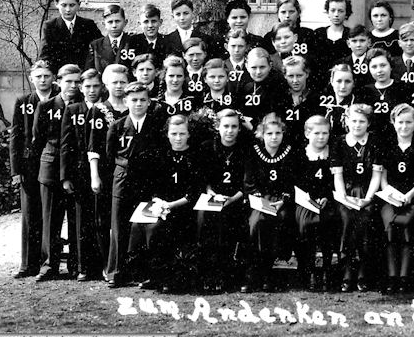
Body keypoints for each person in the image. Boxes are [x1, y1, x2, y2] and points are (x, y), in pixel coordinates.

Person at [126, 114, 203, 293]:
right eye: (174, 133)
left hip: (185, 208)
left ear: (189, 134)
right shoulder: (161, 155)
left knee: (156, 228)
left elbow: (195, 192)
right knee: (138, 225)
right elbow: (153, 186)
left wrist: (171, 205)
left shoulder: (195, 156)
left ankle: (168, 277)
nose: (178, 138)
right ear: (167, 134)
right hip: (162, 206)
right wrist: (157, 201)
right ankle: (152, 274)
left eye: (182, 134)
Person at [105, 82, 167, 287]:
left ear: (149, 102)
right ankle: (115, 272)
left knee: (145, 225)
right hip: (123, 179)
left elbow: (161, 156)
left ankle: (143, 272)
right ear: (125, 102)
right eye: (134, 100)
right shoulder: (117, 126)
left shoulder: (157, 125)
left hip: (148, 181)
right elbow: (109, 156)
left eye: (142, 100)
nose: (138, 104)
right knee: (119, 226)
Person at [241, 114, 301, 293]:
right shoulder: (253, 152)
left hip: (281, 201)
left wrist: (283, 200)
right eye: (269, 134)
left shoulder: (290, 152)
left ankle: (269, 271)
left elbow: (293, 181)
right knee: (256, 223)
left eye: (278, 133)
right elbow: (248, 181)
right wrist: (260, 199)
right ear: (262, 135)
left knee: (279, 220)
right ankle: (254, 272)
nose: (274, 137)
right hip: (260, 199)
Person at [375, 103, 414, 294]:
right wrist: (388, 191)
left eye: (408, 122)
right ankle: (392, 276)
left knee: (405, 225)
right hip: (390, 198)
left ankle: (405, 276)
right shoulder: (388, 145)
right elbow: (382, 174)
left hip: (411, 198)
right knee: (390, 226)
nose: (404, 126)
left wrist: (410, 195)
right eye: (400, 122)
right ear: (393, 123)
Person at [34, 64, 81, 281]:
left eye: (76, 81)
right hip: (51, 168)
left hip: (77, 170)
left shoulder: (84, 105)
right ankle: (48, 265)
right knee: (50, 219)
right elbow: (38, 140)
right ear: (58, 81)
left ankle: (75, 265)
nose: (73, 85)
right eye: (68, 81)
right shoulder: (46, 106)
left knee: (76, 219)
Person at [9, 60, 56, 279]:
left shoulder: (60, 100)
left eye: (46, 75)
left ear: (53, 77)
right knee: (30, 213)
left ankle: (49, 262)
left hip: (52, 163)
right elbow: (15, 137)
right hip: (29, 165)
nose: (43, 80)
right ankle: (27, 264)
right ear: (31, 78)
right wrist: (16, 170)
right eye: (38, 76)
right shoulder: (24, 102)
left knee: (49, 212)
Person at [331, 104, 382, 292]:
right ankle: (347, 272)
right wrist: (344, 199)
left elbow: (377, 175)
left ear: (368, 123)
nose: (357, 125)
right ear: (346, 121)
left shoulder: (375, 141)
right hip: (346, 192)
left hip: (368, 192)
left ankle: (363, 273)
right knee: (346, 220)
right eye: (353, 121)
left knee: (366, 222)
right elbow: (338, 176)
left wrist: (368, 199)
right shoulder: (339, 142)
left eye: (362, 121)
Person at [196, 109, 249, 292]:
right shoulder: (207, 147)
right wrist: (211, 193)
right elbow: (204, 180)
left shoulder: (245, 149)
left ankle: (225, 273)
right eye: (226, 126)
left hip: (236, 199)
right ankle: (208, 272)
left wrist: (232, 199)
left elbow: (247, 183)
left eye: (234, 126)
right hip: (213, 198)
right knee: (205, 218)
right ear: (218, 127)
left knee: (230, 223)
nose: (230, 131)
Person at [58, 68, 103, 281]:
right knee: (79, 219)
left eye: (95, 86)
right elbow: (66, 144)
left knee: (99, 218)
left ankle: (101, 265)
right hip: (78, 173)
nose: (92, 90)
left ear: (101, 87)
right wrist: (65, 176)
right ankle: (80, 266)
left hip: (101, 172)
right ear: (81, 88)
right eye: (87, 87)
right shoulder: (74, 109)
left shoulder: (105, 109)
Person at [86, 65, 129, 274]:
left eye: (122, 82)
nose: (119, 86)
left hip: (128, 172)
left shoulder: (134, 107)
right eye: (115, 82)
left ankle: (126, 263)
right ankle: (106, 264)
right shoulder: (98, 109)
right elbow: (93, 146)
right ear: (106, 84)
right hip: (105, 170)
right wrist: (94, 175)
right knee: (104, 219)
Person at [296, 116, 337, 291]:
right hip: (305, 200)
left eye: (325, 133)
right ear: (307, 133)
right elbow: (295, 181)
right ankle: (309, 269)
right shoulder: (300, 154)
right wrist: (309, 198)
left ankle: (327, 268)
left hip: (329, 199)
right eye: (317, 133)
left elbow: (336, 180)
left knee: (329, 222)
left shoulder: (334, 152)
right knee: (307, 223)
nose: (321, 137)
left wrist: (327, 196)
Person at [39, 0, 101, 70]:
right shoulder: (50, 26)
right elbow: (45, 55)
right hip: (60, 76)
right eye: (64, 5)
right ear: (56, 4)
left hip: (83, 75)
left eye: (72, 5)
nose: (68, 9)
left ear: (78, 5)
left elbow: (100, 48)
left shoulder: (88, 25)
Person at [364, 48, 412, 135]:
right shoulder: (365, 91)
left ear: (390, 66)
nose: (379, 70)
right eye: (374, 67)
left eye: (383, 65)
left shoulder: (404, 88)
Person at [87, 4, 136, 73]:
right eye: (110, 22)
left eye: (117, 21)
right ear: (104, 24)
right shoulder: (96, 46)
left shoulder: (133, 42)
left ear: (125, 22)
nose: (114, 26)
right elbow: (90, 72)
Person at [317, 64, 359, 137]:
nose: (343, 86)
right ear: (332, 81)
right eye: (339, 81)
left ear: (354, 83)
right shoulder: (322, 103)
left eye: (347, 81)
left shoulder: (358, 105)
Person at [313, 0, 352, 72]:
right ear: (327, 12)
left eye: (340, 11)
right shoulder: (318, 33)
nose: (336, 14)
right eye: (333, 10)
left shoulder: (350, 35)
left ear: (346, 13)